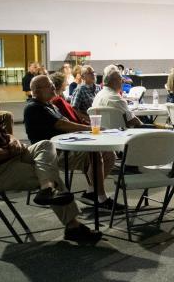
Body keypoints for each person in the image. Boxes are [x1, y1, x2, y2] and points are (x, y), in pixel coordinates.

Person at [0, 79, 101, 245]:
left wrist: (13, 140)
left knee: (45, 144)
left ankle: (47, 189)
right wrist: (9, 151)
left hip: (10, 157)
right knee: (47, 172)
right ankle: (72, 225)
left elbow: (5, 135)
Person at [24, 75, 116, 208]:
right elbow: (62, 125)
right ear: (37, 90)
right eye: (49, 86)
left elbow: (66, 123)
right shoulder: (34, 107)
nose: (53, 87)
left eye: (52, 84)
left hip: (67, 146)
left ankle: (91, 192)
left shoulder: (50, 105)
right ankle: (101, 198)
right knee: (95, 153)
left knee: (109, 154)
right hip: (53, 153)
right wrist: (90, 129)